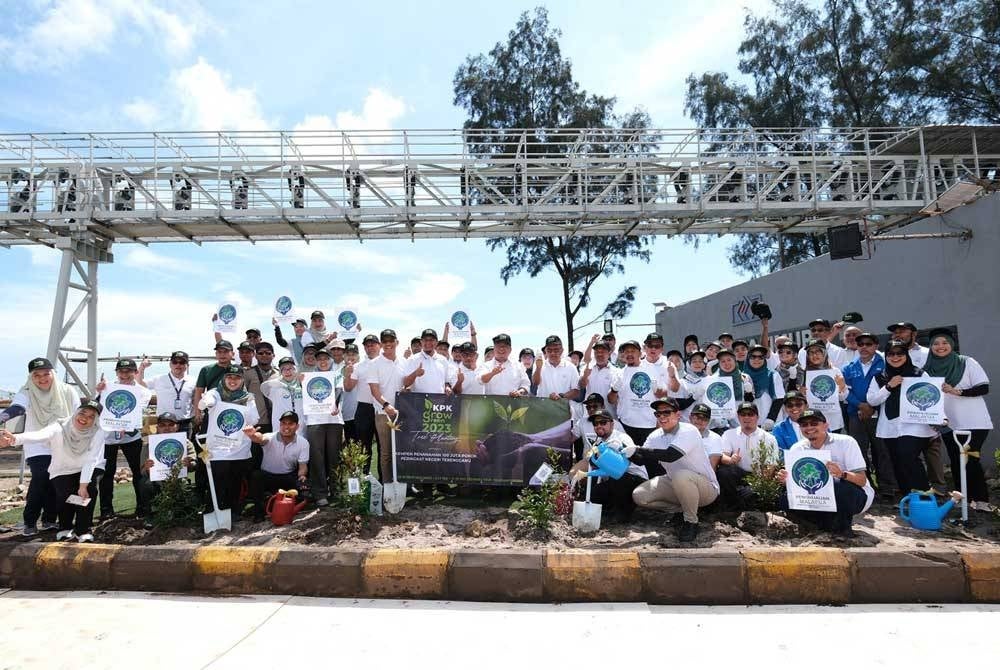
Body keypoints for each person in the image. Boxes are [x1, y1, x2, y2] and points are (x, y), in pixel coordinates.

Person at [0, 399, 105, 542]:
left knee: (86, 496)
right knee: (65, 498)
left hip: (85, 468)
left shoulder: (98, 432)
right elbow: (40, 435)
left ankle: (83, 531)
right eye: (83, 413)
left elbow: (91, 459)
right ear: (76, 412)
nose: (84, 418)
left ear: (96, 420)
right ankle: (65, 528)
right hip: (61, 470)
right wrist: (15, 438)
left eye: (91, 416)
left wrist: (83, 485)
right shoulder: (59, 426)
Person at [0, 357, 78, 536]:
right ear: (31, 377)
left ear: (53, 373)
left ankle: (49, 519)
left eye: (46, 374)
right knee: (41, 477)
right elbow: (17, 408)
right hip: (36, 443)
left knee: (56, 480)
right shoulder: (27, 391)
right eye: (37, 375)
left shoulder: (67, 390)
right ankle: (29, 520)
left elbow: (76, 415)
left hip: (61, 442)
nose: (42, 379)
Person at [630, 399, 719, 542]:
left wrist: (639, 450)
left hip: (706, 489)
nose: (662, 417)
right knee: (640, 495)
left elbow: (670, 455)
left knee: (681, 475)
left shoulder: (689, 430)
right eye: (658, 414)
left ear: (678, 415)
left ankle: (691, 522)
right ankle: (680, 510)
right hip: (675, 482)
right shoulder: (655, 435)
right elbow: (641, 459)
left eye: (667, 412)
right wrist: (625, 452)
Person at [778, 409, 874, 537]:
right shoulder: (797, 448)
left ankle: (842, 531)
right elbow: (797, 483)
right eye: (804, 425)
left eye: (814, 423)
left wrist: (842, 474)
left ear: (826, 425)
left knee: (838, 485)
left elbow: (862, 480)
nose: (809, 427)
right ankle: (816, 526)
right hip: (816, 497)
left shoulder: (846, 442)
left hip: (855, 496)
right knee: (784, 497)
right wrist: (786, 481)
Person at [924, 328, 993, 506]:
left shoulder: (966, 362)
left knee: (970, 459)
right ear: (931, 347)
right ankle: (963, 499)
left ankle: (981, 501)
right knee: (956, 460)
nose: (941, 346)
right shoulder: (927, 369)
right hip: (949, 423)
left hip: (974, 422)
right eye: (936, 344)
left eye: (945, 342)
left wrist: (957, 391)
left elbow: (984, 387)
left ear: (951, 344)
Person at [866, 341, 935, 496]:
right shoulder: (880, 377)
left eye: (900, 353)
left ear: (906, 355)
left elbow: (932, 395)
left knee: (909, 456)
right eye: (891, 354)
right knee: (897, 461)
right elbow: (872, 400)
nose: (895, 357)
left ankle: (923, 495)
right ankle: (907, 496)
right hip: (890, 426)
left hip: (915, 426)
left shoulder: (919, 374)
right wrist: (889, 386)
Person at [94, 359, 153, 520]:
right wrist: (99, 392)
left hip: (131, 436)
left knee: (139, 472)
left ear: (135, 372)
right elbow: (95, 406)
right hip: (107, 437)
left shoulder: (143, 391)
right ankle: (106, 510)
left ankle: (142, 508)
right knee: (106, 474)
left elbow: (137, 412)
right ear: (117, 373)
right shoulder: (107, 387)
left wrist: (124, 425)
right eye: (121, 371)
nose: (125, 375)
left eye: (129, 371)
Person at [842, 332, 898, 500]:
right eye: (860, 344)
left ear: (876, 346)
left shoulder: (886, 364)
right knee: (858, 452)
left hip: (880, 415)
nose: (864, 347)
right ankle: (866, 487)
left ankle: (887, 487)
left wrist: (872, 407)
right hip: (855, 414)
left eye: (868, 344)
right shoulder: (848, 367)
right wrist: (861, 405)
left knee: (882, 451)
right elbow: (844, 392)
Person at [196, 365, 260, 512]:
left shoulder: (248, 397)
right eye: (229, 377)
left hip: (239, 447)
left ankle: (233, 511)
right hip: (218, 446)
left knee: (235, 481)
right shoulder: (215, 393)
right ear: (224, 379)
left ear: (242, 380)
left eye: (237, 378)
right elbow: (206, 401)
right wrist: (206, 403)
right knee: (217, 481)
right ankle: (213, 509)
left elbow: (254, 418)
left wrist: (247, 416)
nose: (233, 381)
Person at [579, 409, 645, 522]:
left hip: (633, 478)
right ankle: (611, 509)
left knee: (618, 479)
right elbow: (592, 463)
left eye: (603, 422)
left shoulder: (622, 438)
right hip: (613, 479)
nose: (599, 426)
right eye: (596, 423)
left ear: (612, 424)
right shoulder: (598, 443)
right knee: (591, 494)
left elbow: (633, 458)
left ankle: (623, 513)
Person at [245, 411, 309, 522]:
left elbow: (302, 466)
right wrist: (253, 435)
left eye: (290, 424)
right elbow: (260, 438)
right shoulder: (271, 437)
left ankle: (284, 507)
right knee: (256, 476)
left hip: (287, 476)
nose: (286, 427)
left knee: (303, 489)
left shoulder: (303, 443)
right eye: (283, 423)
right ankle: (259, 513)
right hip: (268, 476)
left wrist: (302, 476)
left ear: (297, 426)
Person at [717, 402, 780, 508]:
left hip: (758, 476)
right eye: (743, 414)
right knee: (724, 471)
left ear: (757, 417)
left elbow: (771, 466)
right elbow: (723, 456)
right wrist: (731, 460)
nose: (746, 417)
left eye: (750, 414)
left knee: (750, 496)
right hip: (738, 474)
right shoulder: (729, 434)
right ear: (738, 417)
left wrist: (758, 484)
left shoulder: (769, 438)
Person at [136, 412, 197, 522]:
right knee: (145, 483)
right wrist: (147, 468)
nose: (166, 428)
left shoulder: (186, 443)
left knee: (189, 492)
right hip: (157, 481)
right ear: (157, 427)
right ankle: (151, 516)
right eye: (162, 425)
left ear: (177, 426)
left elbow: (194, 464)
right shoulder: (149, 444)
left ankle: (181, 513)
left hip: (178, 480)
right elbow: (142, 471)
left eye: (170, 425)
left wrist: (190, 463)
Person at [302, 347, 344, 506]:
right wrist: (300, 380)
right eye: (320, 359)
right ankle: (320, 493)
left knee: (335, 456)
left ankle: (336, 490)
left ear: (331, 359)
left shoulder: (337, 375)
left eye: (326, 358)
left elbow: (340, 393)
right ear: (316, 361)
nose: (323, 361)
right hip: (314, 420)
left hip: (334, 420)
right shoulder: (308, 376)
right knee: (317, 458)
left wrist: (337, 406)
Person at [367, 329, 407, 483]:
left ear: (397, 342)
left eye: (391, 341)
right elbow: (374, 389)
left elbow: (406, 384)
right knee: (386, 453)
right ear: (382, 344)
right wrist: (385, 405)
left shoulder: (403, 361)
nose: (388, 344)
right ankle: (388, 484)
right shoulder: (374, 363)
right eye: (385, 341)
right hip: (383, 413)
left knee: (402, 451)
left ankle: (404, 483)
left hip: (402, 413)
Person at [608, 340, 664, 449]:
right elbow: (611, 400)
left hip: (649, 425)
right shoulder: (619, 373)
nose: (629, 354)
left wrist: (659, 391)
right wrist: (614, 390)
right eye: (626, 351)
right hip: (626, 425)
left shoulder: (653, 369)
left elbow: (662, 396)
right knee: (629, 459)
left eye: (632, 351)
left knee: (648, 461)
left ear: (640, 352)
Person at [345, 334, 381, 477]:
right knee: (364, 448)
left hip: (382, 409)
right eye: (367, 345)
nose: (370, 347)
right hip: (364, 409)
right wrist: (348, 374)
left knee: (383, 447)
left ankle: (385, 481)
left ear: (379, 345)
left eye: (373, 344)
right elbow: (348, 387)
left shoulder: (386, 362)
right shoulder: (358, 366)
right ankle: (363, 480)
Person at [138, 351, 195, 436]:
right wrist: (142, 368)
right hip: (163, 425)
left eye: (182, 362)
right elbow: (140, 383)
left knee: (185, 448)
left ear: (187, 365)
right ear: (170, 364)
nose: (178, 365)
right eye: (175, 362)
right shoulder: (159, 379)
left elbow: (196, 400)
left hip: (185, 424)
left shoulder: (194, 381)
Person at [802, 338, 849, 433]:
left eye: (818, 352)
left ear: (824, 353)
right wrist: (802, 394)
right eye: (811, 353)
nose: (814, 355)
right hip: (812, 421)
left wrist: (842, 386)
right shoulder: (804, 373)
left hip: (833, 420)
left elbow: (842, 398)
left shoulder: (835, 371)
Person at [706, 349, 754, 431]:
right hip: (722, 425)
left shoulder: (745, 378)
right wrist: (717, 417)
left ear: (735, 361)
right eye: (723, 361)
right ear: (719, 364)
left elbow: (750, 401)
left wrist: (748, 393)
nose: (726, 363)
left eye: (729, 360)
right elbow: (712, 402)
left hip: (741, 421)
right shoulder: (714, 380)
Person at [403, 328, 458, 396]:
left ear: (436, 342)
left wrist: (447, 387)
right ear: (421, 342)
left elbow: (446, 381)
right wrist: (415, 374)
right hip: (418, 403)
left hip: (438, 403)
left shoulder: (443, 360)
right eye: (425, 340)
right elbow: (405, 383)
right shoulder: (412, 359)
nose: (428, 342)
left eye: (431, 340)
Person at [260, 357, 304, 437]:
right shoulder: (275, 388)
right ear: (280, 372)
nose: (287, 371)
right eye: (284, 369)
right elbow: (263, 387)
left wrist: (302, 383)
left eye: (290, 368)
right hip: (281, 427)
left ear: (295, 370)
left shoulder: (302, 386)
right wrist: (280, 382)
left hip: (300, 427)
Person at [745, 344, 784, 429]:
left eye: (760, 357)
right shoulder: (742, 376)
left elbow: (779, 399)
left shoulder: (773, 375)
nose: (757, 359)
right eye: (753, 357)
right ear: (748, 358)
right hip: (751, 425)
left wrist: (771, 419)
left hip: (772, 424)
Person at [532, 335, 581, 401]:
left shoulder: (571, 367)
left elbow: (576, 391)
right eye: (549, 350)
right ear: (545, 351)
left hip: (563, 408)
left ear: (562, 350)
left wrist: (561, 396)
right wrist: (538, 368)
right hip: (543, 407)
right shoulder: (539, 364)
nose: (552, 353)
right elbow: (535, 383)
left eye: (556, 350)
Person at [244, 342, 278, 435]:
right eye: (261, 353)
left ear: (273, 355)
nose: (264, 355)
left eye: (268, 353)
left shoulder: (279, 374)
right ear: (255, 355)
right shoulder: (248, 373)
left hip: (277, 421)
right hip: (257, 422)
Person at [580, 336, 621, 410]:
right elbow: (582, 386)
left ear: (609, 353)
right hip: (590, 413)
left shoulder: (617, 372)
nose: (599, 354)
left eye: (602, 352)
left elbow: (615, 398)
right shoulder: (587, 368)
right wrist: (585, 376)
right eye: (597, 352)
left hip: (608, 416)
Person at [689, 402, 724, 469]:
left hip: (701, 476)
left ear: (708, 421)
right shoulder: (680, 433)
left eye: (704, 419)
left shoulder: (715, 438)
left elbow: (711, 467)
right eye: (697, 417)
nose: (700, 420)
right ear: (690, 417)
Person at [341, 344, 361, 441]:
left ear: (358, 356)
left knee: (363, 447)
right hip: (345, 415)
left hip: (362, 414)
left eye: (353, 354)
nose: (351, 357)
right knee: (349, 448)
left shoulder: (364, 368)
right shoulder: (338, 371)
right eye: (348, 354)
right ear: (343, 356)